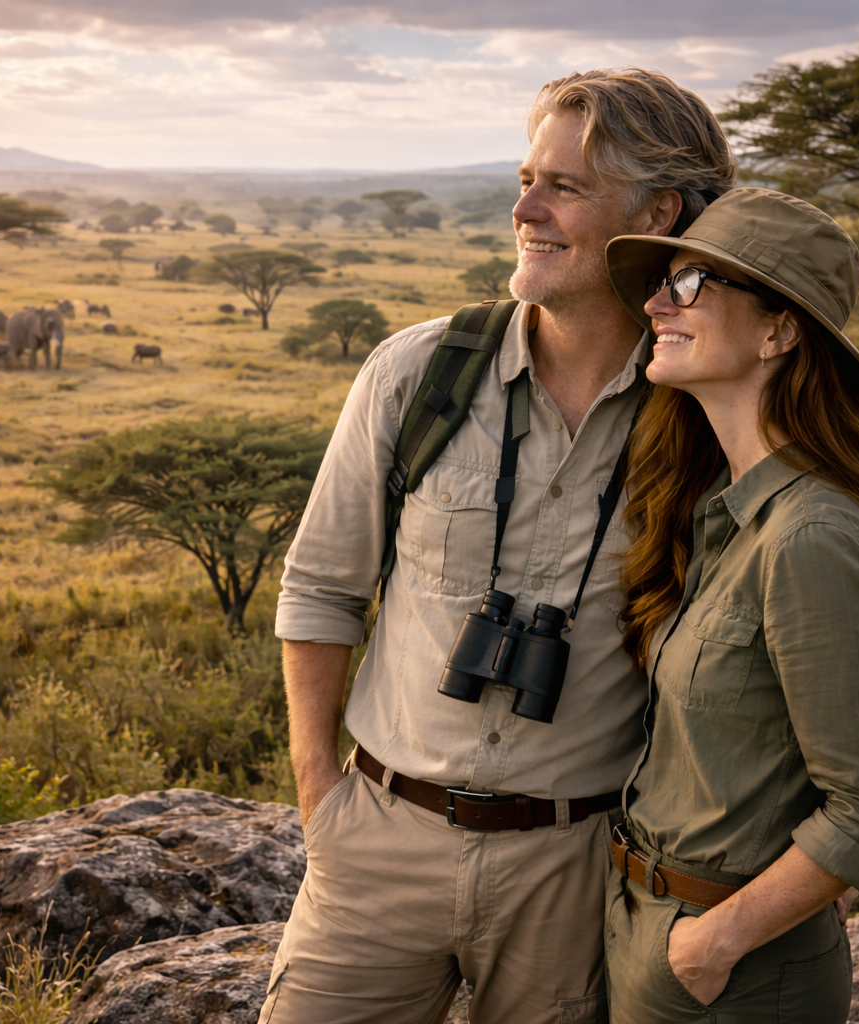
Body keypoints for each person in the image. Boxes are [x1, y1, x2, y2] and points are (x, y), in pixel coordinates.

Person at [260, 67, 735, 1024]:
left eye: (564, 187)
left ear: (658, 213)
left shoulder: (705, 415)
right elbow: (320, 590)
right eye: (526, 180)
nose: (524, 210)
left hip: (578, 862)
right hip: (378, 842)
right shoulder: (417, 374)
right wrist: (321, 801)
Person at [602, 187, 859, 1023]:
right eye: (664, 284)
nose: (657, 304)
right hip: (651, 932)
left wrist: (713, 944)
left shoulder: (810, 534)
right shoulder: (717, 509)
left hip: (732, 971)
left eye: (691, 284)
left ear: (779, 333)